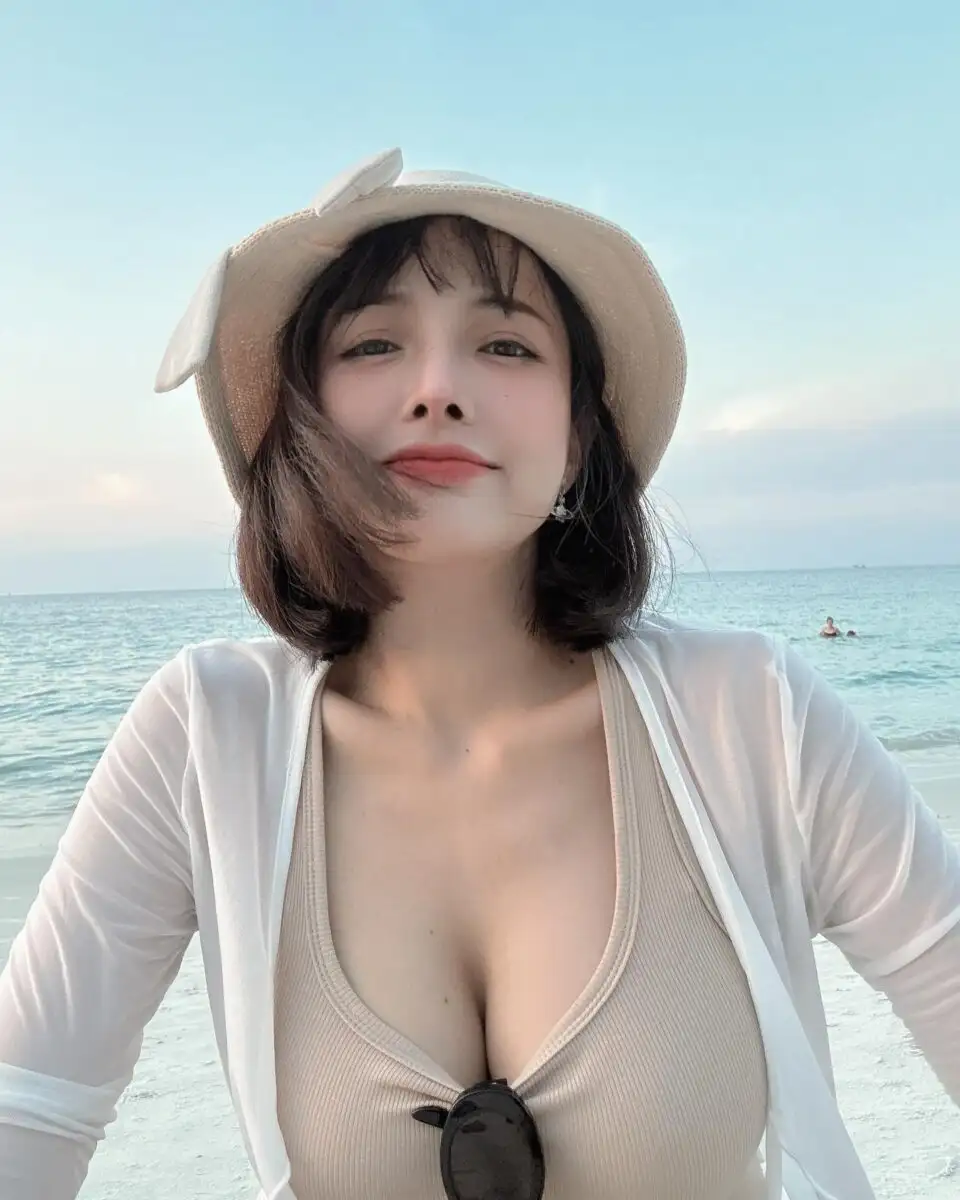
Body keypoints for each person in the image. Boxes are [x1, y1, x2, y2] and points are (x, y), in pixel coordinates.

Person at [1, 148, 958, 1200]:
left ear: (580, 436)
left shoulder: (753, 714)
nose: (438, 391)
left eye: (505, 344)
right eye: (373, 342)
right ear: (302, 420)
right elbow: (29, 1103)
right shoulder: (204, 732)